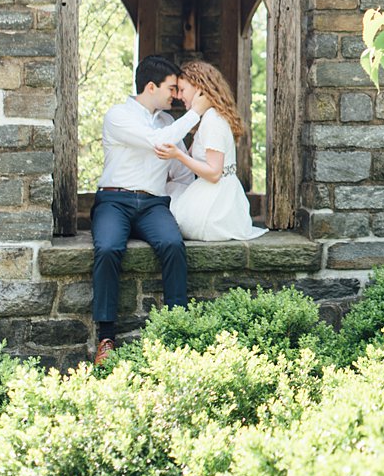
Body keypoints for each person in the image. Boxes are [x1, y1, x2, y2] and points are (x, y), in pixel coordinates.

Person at [91, 54, 207, 365]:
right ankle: (105, 336)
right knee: (108, 248)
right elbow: (158, 143)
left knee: (172, 244)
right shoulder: (118, 116)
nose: (175, 95)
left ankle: (176, 328)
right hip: (114, 201)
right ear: (151, 86)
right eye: (171, 88)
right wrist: (195, 114)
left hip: (154, 204)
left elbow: (182, 174)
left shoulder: (169, 122)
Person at [158, 60, 265, 241]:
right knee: (168, 189)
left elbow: (214, 173)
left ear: (199, 87)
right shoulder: (207, 117)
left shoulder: (213, 121)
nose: (179, 96)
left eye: (183, 90)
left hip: (216, 206)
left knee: (162, 203)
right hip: (218, 194)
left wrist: (178, 155)